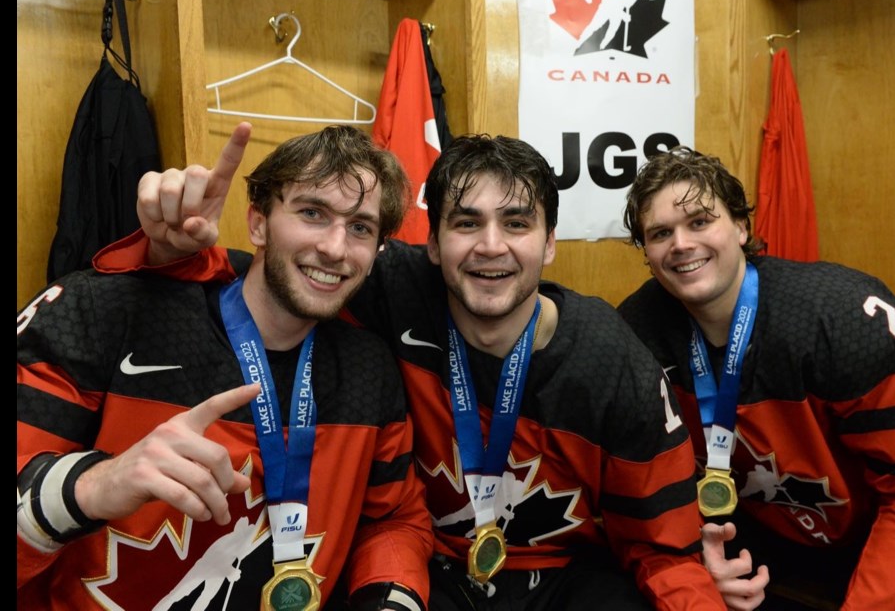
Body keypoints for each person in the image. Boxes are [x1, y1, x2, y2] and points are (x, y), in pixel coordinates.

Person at [91, 125, 731, 609]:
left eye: (516, 223)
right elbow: (278, 274)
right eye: (465, 223)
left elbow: (663, 546)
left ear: (551, 243)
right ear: (428, 244)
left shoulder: (613, 360)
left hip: (564, 578)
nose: (490, 246)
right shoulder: (384, 278)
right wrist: (168, 249)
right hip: (430, 571)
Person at [17, 123, 434, 610]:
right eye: (312, 213)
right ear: (257, 222)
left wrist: (392, 598)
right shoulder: (106, 311)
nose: (336, 248)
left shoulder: (369, 366)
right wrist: (94, 486)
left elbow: (392, 519)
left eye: (360, 227)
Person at [617, 145, 895, 610]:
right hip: (762, 537)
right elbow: (648, 493)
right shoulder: (637, 333)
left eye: (700, 221)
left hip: (885, 532)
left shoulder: (844, 318)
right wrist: (697, 564)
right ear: (647, 253)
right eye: (660, 232)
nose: (681, 244)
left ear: (741, 226)